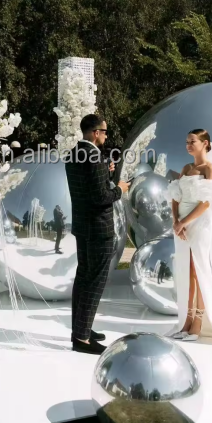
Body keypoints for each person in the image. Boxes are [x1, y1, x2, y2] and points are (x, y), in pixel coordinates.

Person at [167, 129, 212, 347]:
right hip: (181, 225)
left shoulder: (210, 168)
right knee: (185, 270)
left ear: (204, 143)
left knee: (199, 269)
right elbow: (175, 197)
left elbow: (208, 202)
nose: (188, 145)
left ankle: (198, 321)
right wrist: (175, 222)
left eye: (192, 142)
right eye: (186, 142)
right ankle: (186, 319)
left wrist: (184, 222)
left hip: (199, 222)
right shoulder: (186, 168)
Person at [64, 114, 130, 355]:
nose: (106, 135)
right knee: (95, 282)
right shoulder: (95, 157)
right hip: (99, 229)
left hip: (83, 227)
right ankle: (81, 339)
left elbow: (92, 187)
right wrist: (120, 189)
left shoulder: (74, 154)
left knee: (83, 280)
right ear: (94, 132)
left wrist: (107, 172)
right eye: (104, 131)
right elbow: (101, 198)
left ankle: (81, 329)